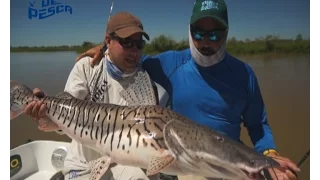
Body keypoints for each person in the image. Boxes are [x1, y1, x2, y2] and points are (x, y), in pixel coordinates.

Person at [75, 0, 302, 180]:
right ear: (189, 30)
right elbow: (127, 57)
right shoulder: (168, 63)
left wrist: (269, 154)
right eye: (198, 32)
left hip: (230, 160)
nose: (205, 41)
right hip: (185, 164)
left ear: (227, 33)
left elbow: (258, 125)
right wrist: (105, 49)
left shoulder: (244, 74)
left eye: (214, 34)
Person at [24, 12, 162, 180]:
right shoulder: (88, 66)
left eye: (138, 44)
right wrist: (44, 114)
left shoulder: (143, 80)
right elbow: (62, 121)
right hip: (82, 164)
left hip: (123, 163)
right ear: (108, 41)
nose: (134, 50)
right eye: (126, 42)